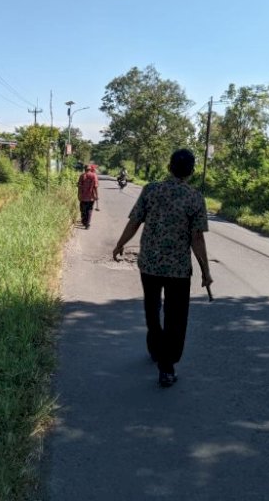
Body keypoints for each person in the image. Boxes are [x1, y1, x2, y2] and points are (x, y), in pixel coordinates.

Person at [112, 149, 212, 388]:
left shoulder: (151, 190)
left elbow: (135, 221)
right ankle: (167, 367)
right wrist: (206, 272)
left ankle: (156, 349)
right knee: (176, 317)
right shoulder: (195, 197)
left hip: (150, 264)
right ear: (191, 171)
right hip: (178, 269)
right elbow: (197, 238)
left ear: (169, 167)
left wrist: (120, 244)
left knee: (152, 308)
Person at [77, 164, 99, 229]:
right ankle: (87, 224)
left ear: (84, 169)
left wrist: (78, 194)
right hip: (91, 197)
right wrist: (97, 196)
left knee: (83, 210)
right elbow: (95, 187)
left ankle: (84, 221)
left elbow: (79, 186)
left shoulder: (82, 176)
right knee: (89, 210)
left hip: (83, 196)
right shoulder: (94, 175)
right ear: (90, 169)